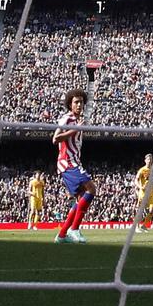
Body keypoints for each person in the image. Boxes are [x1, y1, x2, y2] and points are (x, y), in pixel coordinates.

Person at [53, 89, 96, 244]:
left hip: (74, 161)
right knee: (92, 188)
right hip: (67, 162)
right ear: (70, 105)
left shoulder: (79, 119)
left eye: (81, 102)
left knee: (79, 200)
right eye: (76, 102)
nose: (79, 105)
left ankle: (62, 235)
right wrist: (75, 130)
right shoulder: (67, 118)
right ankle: (74, 229)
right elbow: (55, 138)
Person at [134, 153, 153, 232]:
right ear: (145, 160)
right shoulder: (142, 170)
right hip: (143, 193)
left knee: (151, 211)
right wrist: (140, 187)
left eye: (151, 159)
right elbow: (136, 180)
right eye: (148, 159)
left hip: (151, 193)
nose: (150, 160)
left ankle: (144, 225)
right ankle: (137, 227)